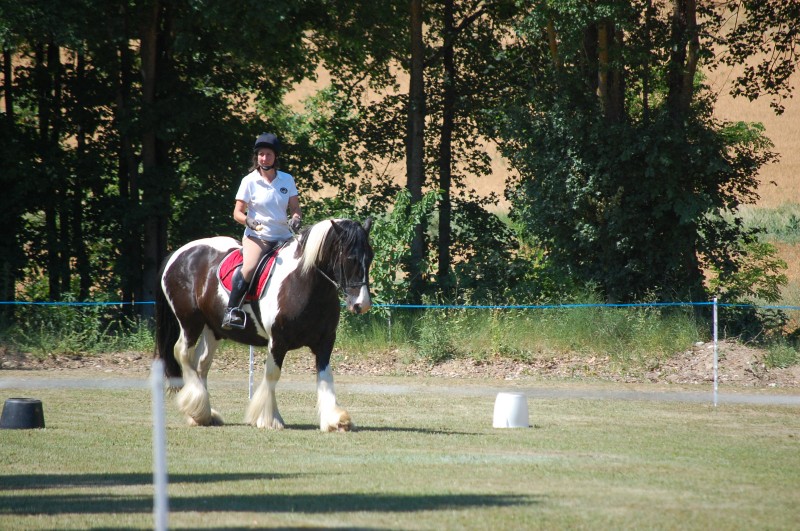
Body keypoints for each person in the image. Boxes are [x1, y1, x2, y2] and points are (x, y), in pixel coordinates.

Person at [222, 132, 302, 330]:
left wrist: (296, 218)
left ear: (275, 157)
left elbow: (295, 208)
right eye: (261, 154)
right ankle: (232, 311)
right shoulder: (249, 181)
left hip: (284, 237)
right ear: (256, 157)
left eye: (268, 154)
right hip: (258, 237)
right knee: (249, 268)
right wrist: (248, 221)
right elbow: (237, 213)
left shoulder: (287, 180)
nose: (264, 158)